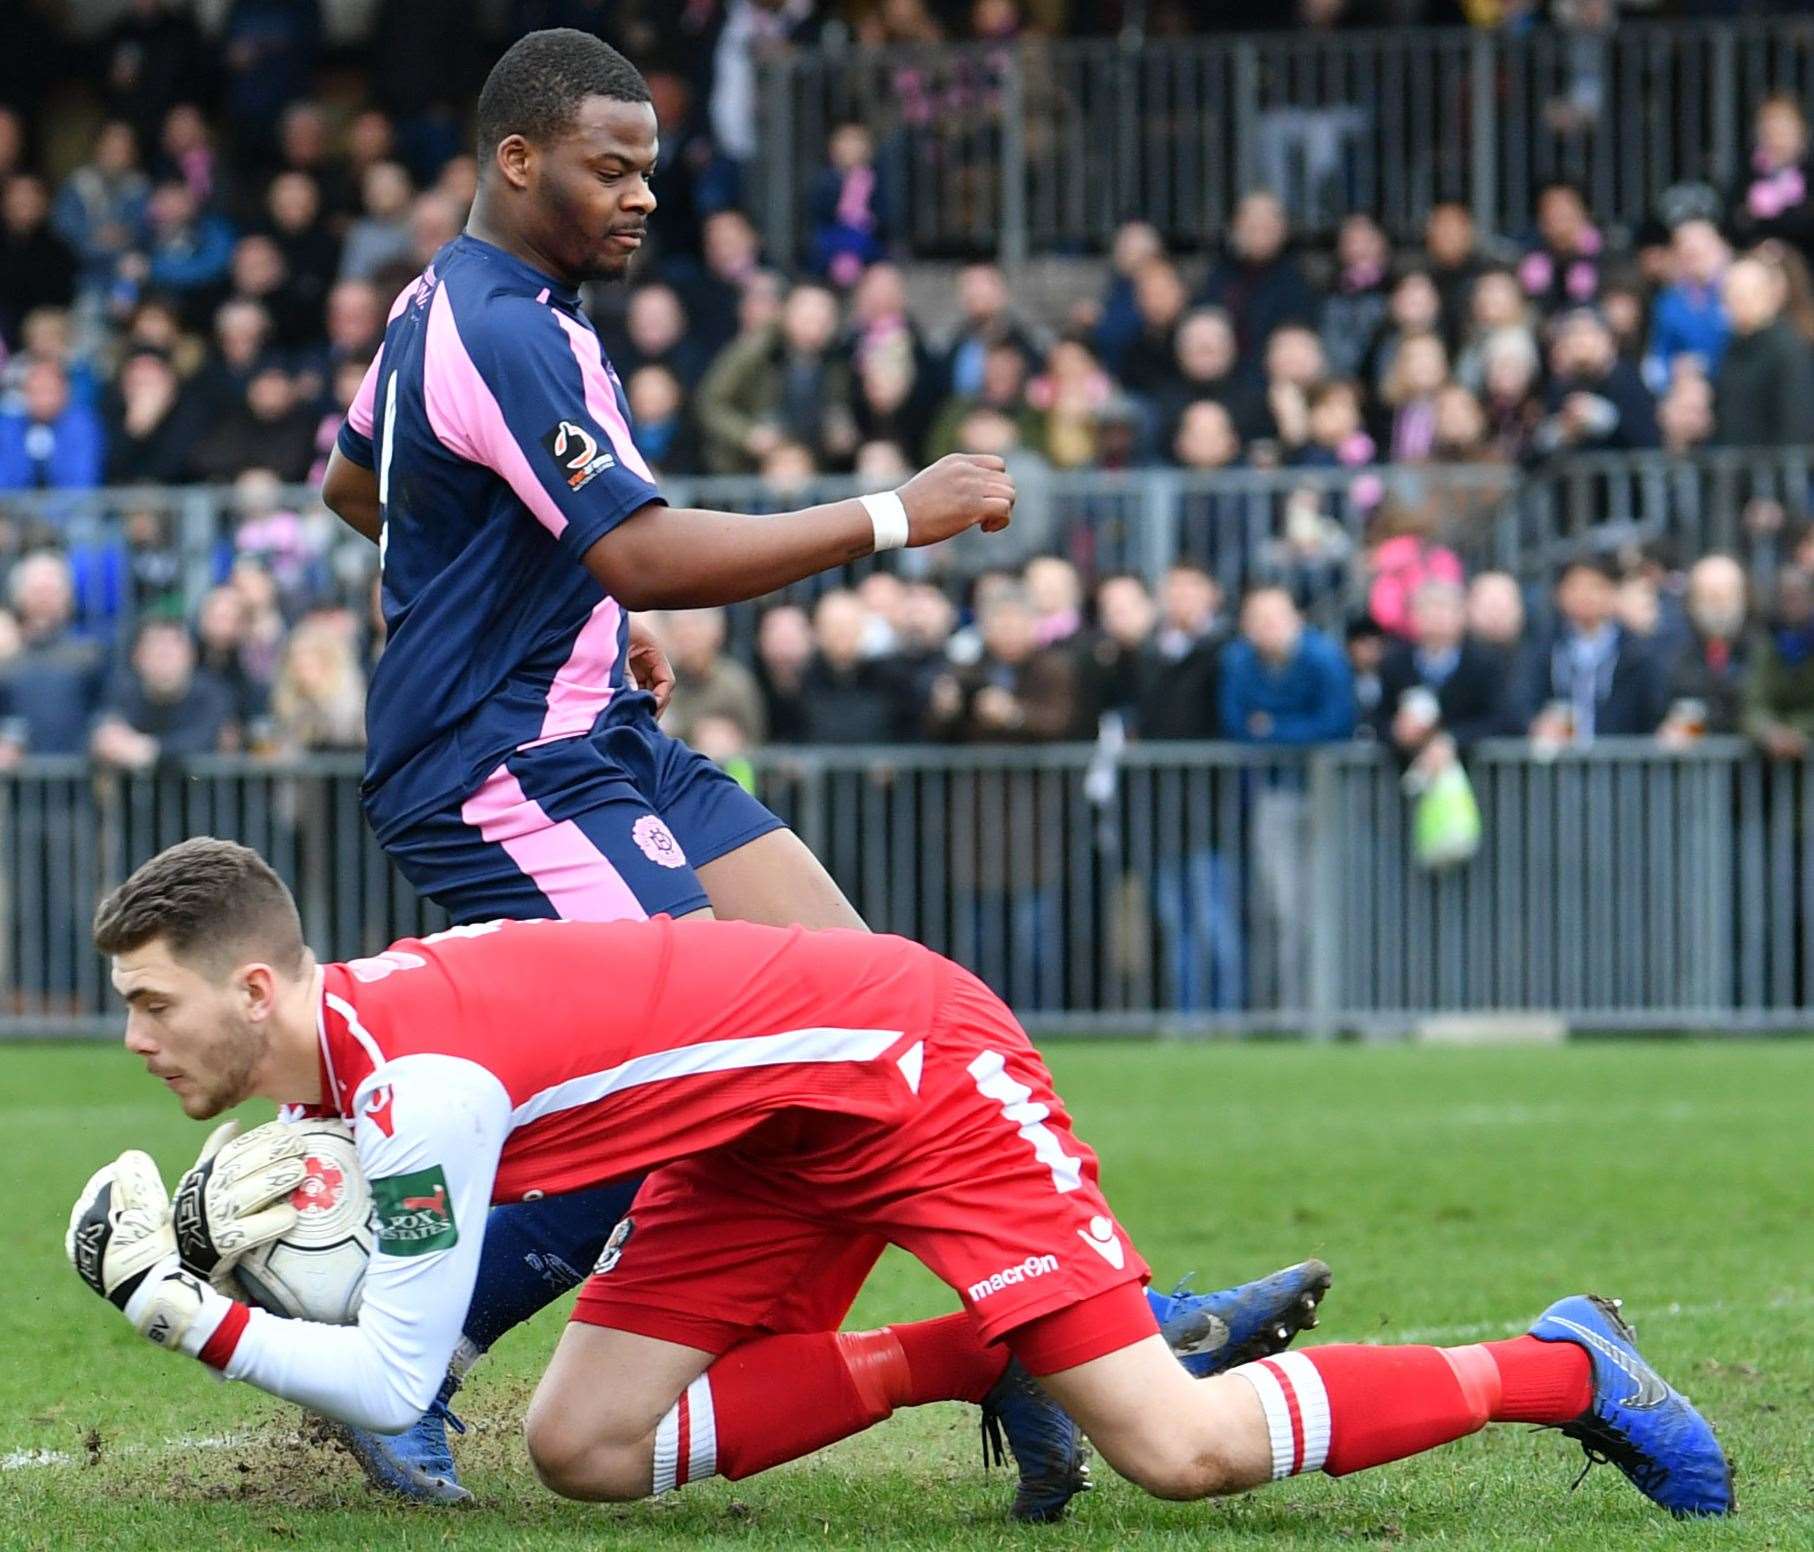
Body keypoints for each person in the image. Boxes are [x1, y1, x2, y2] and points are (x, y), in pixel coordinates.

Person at [71, 839, 1731, 1526]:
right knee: (583, 1449)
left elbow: (394, 1372)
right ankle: (984, 1352)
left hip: (906, 1070)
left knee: (1181, 1449)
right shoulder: (368, 1055)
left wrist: (171, 1302)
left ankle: (1563, 1360)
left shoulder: (412, 1091)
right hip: (764, 1127)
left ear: (261, 990)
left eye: (155, 1003)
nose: (137, 1038)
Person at [307, 26, 1017, 1503]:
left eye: (647, 169)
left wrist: (574, 608)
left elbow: (356, 480)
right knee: (690, 1068)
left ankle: (1059, 1333)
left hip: (602, 745)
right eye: (607, 168)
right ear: (517, 162)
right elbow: (635, 540)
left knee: (881, 1024)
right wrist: (891, 513)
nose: (640, 197)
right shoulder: (501, 325)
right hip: (498, 768)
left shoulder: (464, 307)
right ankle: (403, 1362)